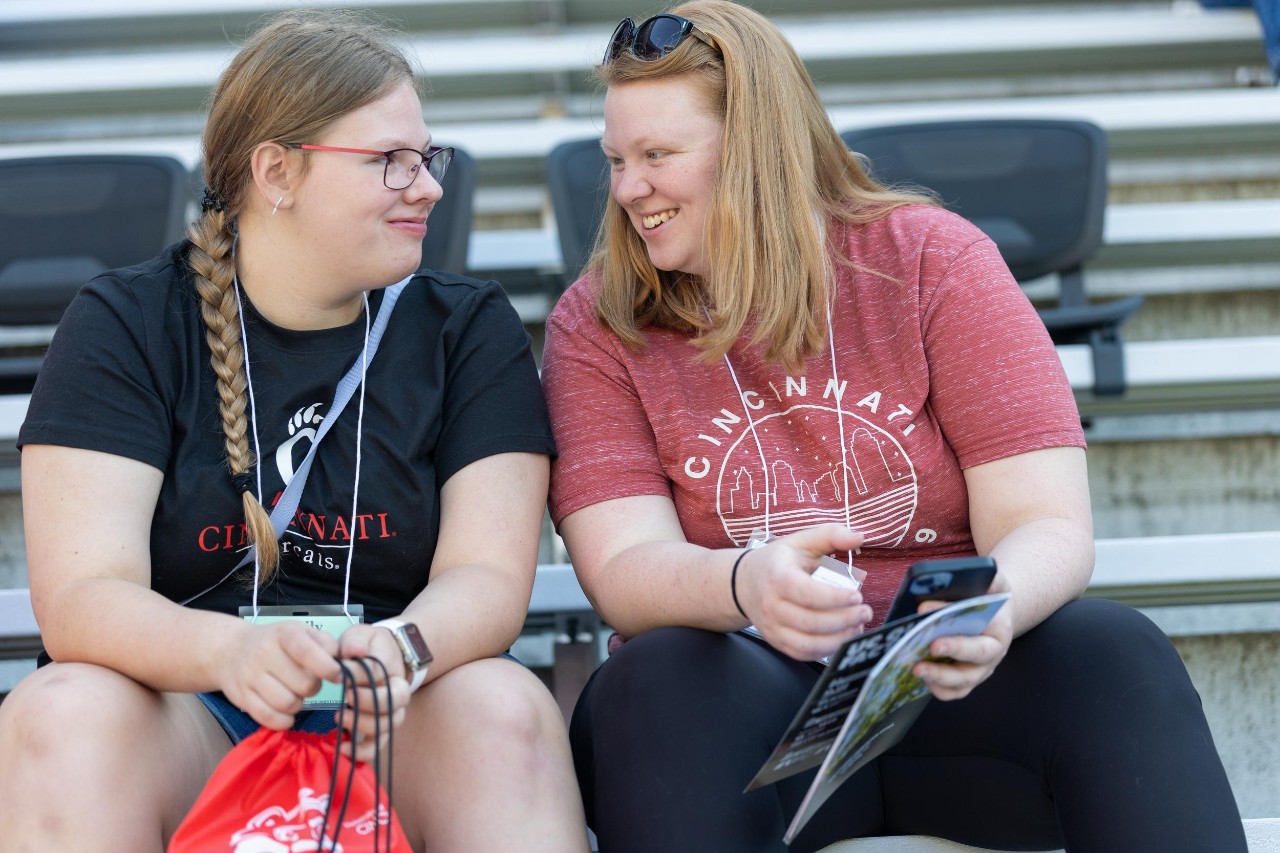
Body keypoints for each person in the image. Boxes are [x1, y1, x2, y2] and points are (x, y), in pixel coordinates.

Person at [540, 2, 1247, 851]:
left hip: (946, 694)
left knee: (1113, 651)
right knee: (654, 678)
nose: (627, 189)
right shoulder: (598, 322)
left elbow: (1046, 522)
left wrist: (991, 609)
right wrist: (743, 584)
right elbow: (623, 567)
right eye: (618, 158)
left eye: (658, 156)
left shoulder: (928, 260)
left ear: (762, 147)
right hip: (747, 715)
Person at [0, 10, 589, 852]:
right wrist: (230, 652)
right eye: (391, 162)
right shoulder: (125, 322)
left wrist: (401, 646)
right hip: (190, 703)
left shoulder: (469, 328)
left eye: (428, 159)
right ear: (276, 171)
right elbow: (85, 600)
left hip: (394, 702)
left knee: (503, 709)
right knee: (59, 715)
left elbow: (486, 579)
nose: (428, 186)